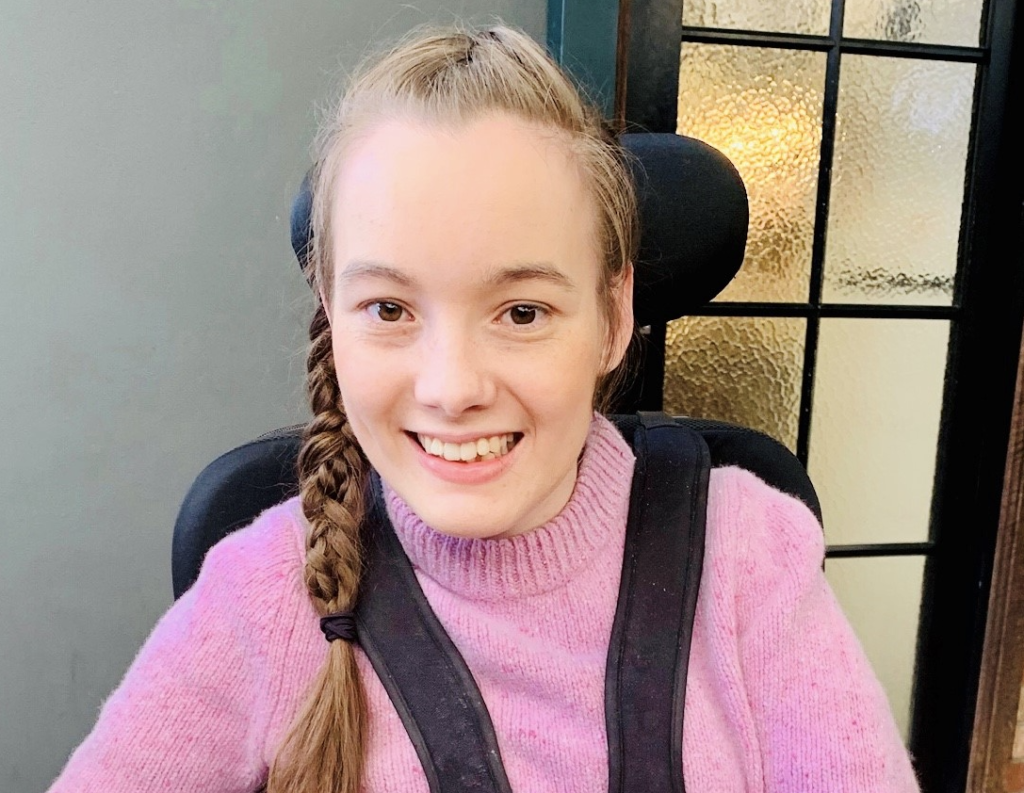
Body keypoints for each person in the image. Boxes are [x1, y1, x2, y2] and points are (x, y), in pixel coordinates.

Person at [48, 24, 920, 793]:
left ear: (614, 317)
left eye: (522, 312)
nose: (452, 385)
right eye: (390, 309)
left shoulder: (750, 560)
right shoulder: (255, 597)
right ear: (330, 310)